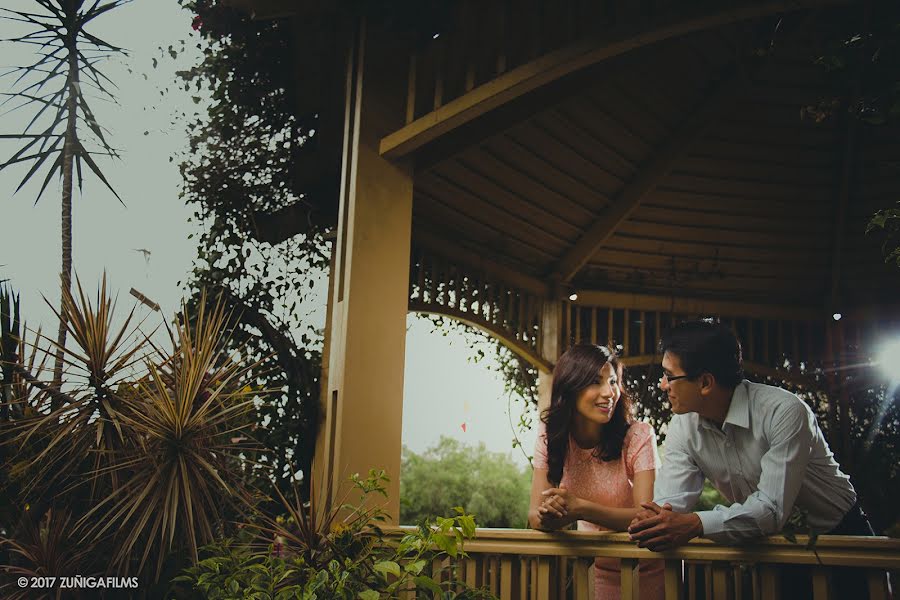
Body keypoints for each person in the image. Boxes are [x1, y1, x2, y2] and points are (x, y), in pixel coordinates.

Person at [627, 320, 876, 597]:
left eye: (669, 376)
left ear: (706, 382)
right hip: (772, 546)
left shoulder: (783, 411)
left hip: (842, 538)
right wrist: (657, 520)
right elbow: (668, 507)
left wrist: (696, 523)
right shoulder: (682, 428)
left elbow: (770, 509)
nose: (662, 385)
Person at [530, 344, 664, 600]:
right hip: (596, 566)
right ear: (570, 389)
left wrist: (580, 508)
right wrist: (551, 513)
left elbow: (645, 517)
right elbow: (534, 514)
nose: (609, 393)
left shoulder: (638, 435)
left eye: (613, 382)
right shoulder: (550, 437)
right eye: (595, 382)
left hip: (647, 564)